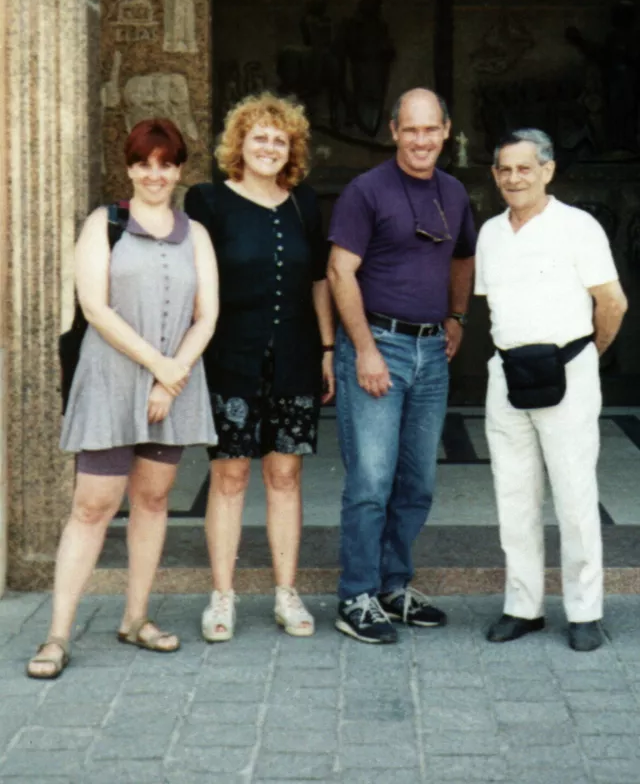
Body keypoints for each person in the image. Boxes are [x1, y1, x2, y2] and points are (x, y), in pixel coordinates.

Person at [26, 119, 219, 679]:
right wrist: (160, 366)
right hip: (112, 383)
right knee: (92, 506)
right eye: (143, 163)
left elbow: (207, 315)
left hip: (170, 388)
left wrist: (171, 377)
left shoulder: (196, 234)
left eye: (166, 164)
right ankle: (57, 635)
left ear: (179, 170)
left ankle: (136, 618)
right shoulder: (104, 224)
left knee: (153, 501)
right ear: (130, 168)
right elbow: (95, 308)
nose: (154, 174)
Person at [328, 88, 477, 644]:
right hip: (379, 345)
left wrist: (457, 315)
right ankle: (356, 595)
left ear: (446, 131)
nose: (421, 140)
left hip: (431, 351)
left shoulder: (454, 192)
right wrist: (365, 348)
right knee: (371, 479)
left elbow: (463, 256)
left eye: (430, 129)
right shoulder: (366, 191)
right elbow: (340, 271)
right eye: (410, 129)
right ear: (393, 131)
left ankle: (393, 587)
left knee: (417, 480)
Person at [184, 92, 334, 641]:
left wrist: (326, 349)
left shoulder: (304, 203)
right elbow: (194, 281)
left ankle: (286, 594)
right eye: (259, 137)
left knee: (285, 474)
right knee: (229, 475)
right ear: (239, 144)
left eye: (280, 139)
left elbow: (318, 279)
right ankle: (222, 597)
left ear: (291, 149)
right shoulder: (208, 201)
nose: (269, 147)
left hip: (294, 355)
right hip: (230, 357)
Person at [476, 128, 627, 652]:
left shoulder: (578, 227)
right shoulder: (491, 233)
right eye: (505, 169)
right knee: (514, 494)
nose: (514, 178)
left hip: (568, 370)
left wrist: (588, 356)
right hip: (508, 374)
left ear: (548, 170)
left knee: (574, 495)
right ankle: (524, 606)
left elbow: (613, 303)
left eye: (525, 168)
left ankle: (585, 612)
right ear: (494, 175)